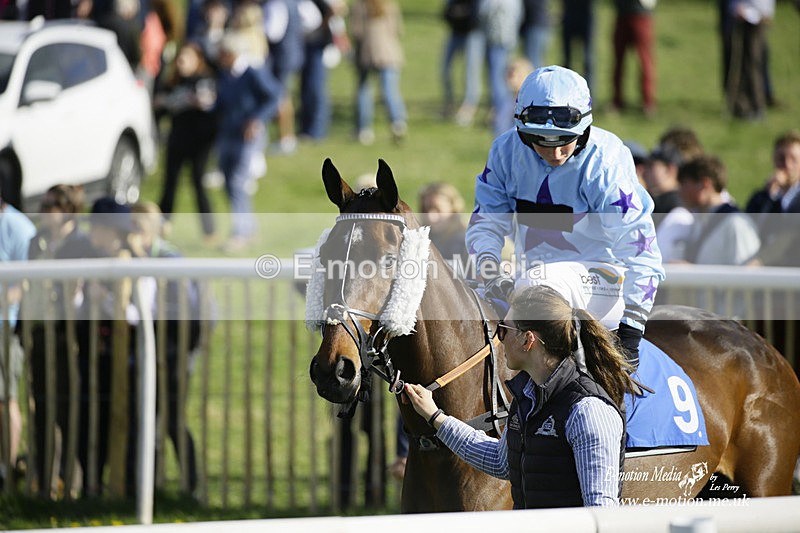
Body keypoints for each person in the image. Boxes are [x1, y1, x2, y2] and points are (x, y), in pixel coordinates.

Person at [466, 65, 664, 380]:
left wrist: (631, 331)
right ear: (522, 130)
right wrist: (490, 274)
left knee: (536, 285)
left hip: (605, 280)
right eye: (540, 140)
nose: (555, 152)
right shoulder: (505, 151)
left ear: (584, 128)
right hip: (531, 281)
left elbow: (641, 253)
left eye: (565, 140)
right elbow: (485, 226)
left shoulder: (605, 162)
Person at [404, 285, 633, 508]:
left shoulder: (588, 411)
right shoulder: (526, 396)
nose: (499, 338)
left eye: (504, 329)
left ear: (528, 340)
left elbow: (601, 511)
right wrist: (434, 416)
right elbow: (501, 461)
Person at [20, 185, 93, 498]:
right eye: (45, 203)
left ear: (69, 209)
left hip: (69, 337)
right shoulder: (36, 240)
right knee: (42, 410)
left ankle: (73, 482)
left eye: (52, 205)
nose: (45, 209)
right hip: (38, 332)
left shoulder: (82, 244)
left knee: (68, 411)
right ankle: (44, 480)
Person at [131, 202, 201, 495]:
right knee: (147, 417)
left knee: (172, 419)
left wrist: (178, 354)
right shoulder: (141, 256)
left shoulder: (168, 257)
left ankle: (190, 485)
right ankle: (150, 484)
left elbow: (185, 311)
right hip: (151, 350)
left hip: (173, 352)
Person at [214, 31, 282, 250]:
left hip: (248, 135)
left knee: (237, 181)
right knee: (228, 181)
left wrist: (257, 119)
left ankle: (241, 232)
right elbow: (222, 103)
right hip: (228, 132)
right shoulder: (225, 74)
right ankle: (249, 228)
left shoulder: (253, 72)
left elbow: (274, 95)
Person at [154, 41, 218, 242]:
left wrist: (182, 101)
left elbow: (209, 105)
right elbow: (159, 106)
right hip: (177, 138)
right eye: (180, 59)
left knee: (198, 182)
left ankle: (209, 232)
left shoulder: (205, 79)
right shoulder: (173, 82)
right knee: (169, 184)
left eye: (186, 58)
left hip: (200, 141)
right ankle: (161, 227)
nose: (182, 63)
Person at [0, 185, 36, 489]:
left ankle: (8, 470)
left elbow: (25, 283)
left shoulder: (19, 227)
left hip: (6, 328)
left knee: (6, 399)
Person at [349, 0, 407, 145]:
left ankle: (364, 130)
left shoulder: (360, 5)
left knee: (364, 90)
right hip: (389, 52)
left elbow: (357, 32)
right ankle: (398, 122)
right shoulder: (389, 4)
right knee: (389, 90)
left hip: (367, 52)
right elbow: (397, 29)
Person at [440, 0, 484, 126]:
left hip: (473, 33)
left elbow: (478, 14)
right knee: (445, 69)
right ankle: (449, 105)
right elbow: (446, 12)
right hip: (455, 32)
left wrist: (463, 13)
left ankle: (469, 108)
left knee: (470, 72)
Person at [611, 0, 655, 116]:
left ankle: (648, 102)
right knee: (618, 61)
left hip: (641, 13)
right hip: (622, 13)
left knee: (645, 62)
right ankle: (617, 101)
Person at [418, 182, 469, 265]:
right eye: (425, 210)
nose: (431, 217)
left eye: (438, 210)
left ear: (454, 210)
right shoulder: (419, 242)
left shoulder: (468, 245)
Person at [561, 0, 594, 91]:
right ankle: (565, 92)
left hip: (585, 15)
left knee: (588, 60)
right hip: (569, 14)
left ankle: (588, 95)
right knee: (567, 61)